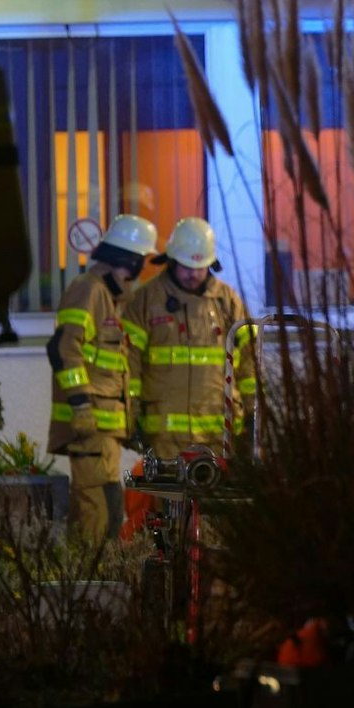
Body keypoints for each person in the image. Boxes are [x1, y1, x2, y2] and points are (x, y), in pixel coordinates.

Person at [123, 217, 255, 534]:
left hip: (219, 436)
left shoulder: (228, 301)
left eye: (201, 266)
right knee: (165, 523)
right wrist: (130, 416)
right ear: (170, 259)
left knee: (216, 523)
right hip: (164, 437)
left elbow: (248, 364)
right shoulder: (146, 300)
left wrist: (252, 415)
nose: (194, 273)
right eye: (186, 266)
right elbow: (128, 364)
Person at [48, 214, 157, 542]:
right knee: (95, 511)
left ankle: (91, 568)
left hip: (106, 426)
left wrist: (130, 420)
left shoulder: (112, 298)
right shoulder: (89, 290)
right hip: (90, 422)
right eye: (141, 262)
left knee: (106, 508)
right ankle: (89, 571)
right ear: (131, 260)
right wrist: (81, 405)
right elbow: (64, 348)